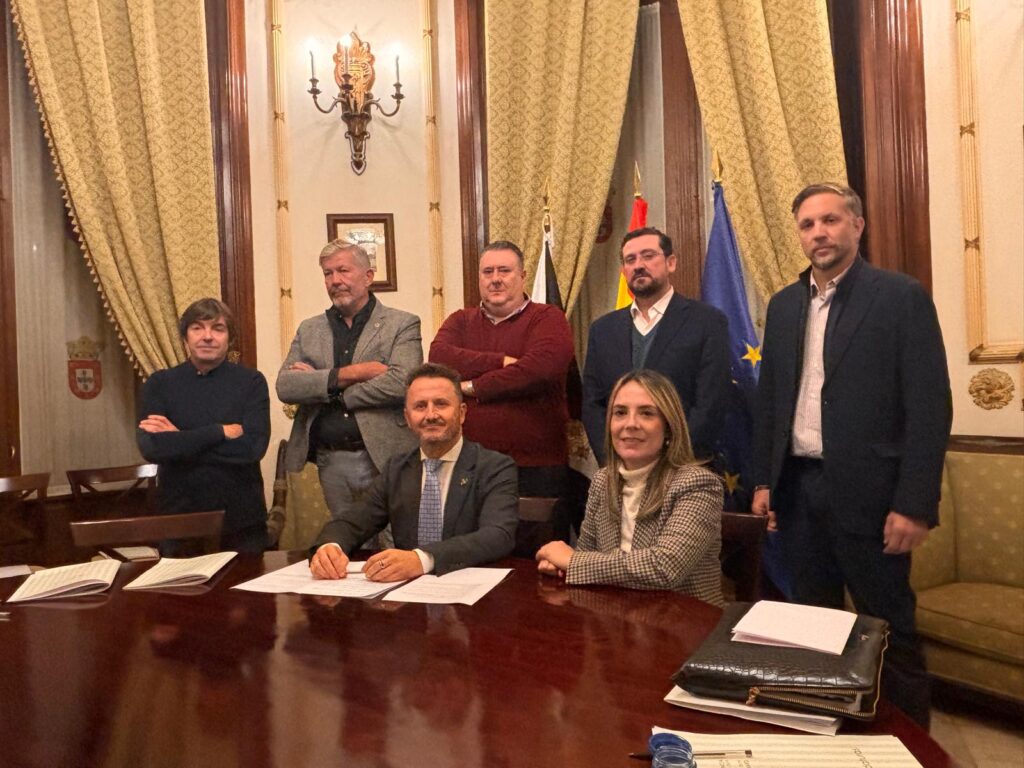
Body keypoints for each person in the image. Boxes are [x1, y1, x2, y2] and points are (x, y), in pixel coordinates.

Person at [751, 183, 951, 728]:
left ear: (857, 226)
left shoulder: (899, 296)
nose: (819, 232)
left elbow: (929, 406)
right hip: (799, 491)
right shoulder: (784, 305)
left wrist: (915, 504)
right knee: (813, 627)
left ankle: (910, 747)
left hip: (874, 498)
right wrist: (765, 480)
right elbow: (772, 400)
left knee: (888, 629)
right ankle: (827, 729)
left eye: (830, 220)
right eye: (807, 224)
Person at [309, 363, 518, 581]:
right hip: (406, 593)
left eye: (441, 404)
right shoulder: (397, 469)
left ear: (462, 413)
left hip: (471, 589)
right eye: (420, 406)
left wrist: (424, 559)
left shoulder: (494, 467)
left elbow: (498, 536)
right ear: (408, 418)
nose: (431, 415)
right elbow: (352, 522)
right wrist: (330, 548)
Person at [536, 369, 724, 605]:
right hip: (613, 615)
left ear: (668, 427)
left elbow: (665, 568)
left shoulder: (697, 484)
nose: (630, 424)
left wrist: (572, 562)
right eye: (620, 413)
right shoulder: (602, 481)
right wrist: (562, 566)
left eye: (646, 413)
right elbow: (586, 555)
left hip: (684, 619)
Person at [277, 240, 422, 527]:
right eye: (328, 273)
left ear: (368, 276)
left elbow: (402, 382)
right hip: (332, 460)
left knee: (394, 540)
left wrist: (328, 389)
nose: (335, 280)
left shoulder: (402, 324)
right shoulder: (309, 329)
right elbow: (286, 386)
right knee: (347, 538)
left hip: (385, 456)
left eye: (343, 271)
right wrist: (356, 372)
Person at [429, 240, 575, 506]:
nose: (495, 279)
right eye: (488, 272)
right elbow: (439, 356)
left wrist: (472, 387)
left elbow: (540, 370)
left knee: (539, 534)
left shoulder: (548, 318)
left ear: (522, 276)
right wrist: (501, 361)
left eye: (504, 271)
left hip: (537, 466)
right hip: (471, 465)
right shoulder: (460, 320)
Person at [582, 227, 731, 464]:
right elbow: (593, 405)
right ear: (623, 271)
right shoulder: (603, 330)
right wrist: (614, 461)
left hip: (684, 467)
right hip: (620, 470)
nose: (639, 265)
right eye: (630, 260)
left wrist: (671, 462)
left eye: (648, 256)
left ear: (671, 263)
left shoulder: (707, 322)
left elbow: (711, 403)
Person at [137, 298, 270, 553]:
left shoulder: (251, 382)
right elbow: (152, 447)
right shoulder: (160, 383)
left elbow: (253, 448)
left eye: (218, 328)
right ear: (185, 337)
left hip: (242, 522)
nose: (207, 336)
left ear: (230, 338)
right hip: (179, 521)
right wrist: (219, 432)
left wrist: (180, 438)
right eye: (197, 328)